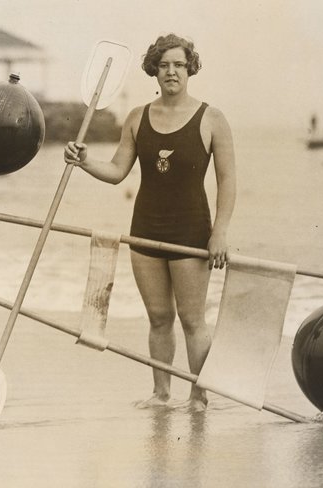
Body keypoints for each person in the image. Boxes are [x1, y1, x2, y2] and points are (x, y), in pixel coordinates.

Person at [64, 34, 236, 411]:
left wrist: (219, 232)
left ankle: (198, 395)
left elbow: (227, 181)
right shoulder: (137, 117)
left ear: (190, 68)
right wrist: (83, 161)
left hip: (192, 232)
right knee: (159, 318)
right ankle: (161, 394)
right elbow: (116, 171)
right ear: (154, 71)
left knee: (192, 320)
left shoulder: (212, 118)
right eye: (164, 65)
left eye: (178, 64)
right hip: (145, 229)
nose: (171, 71)